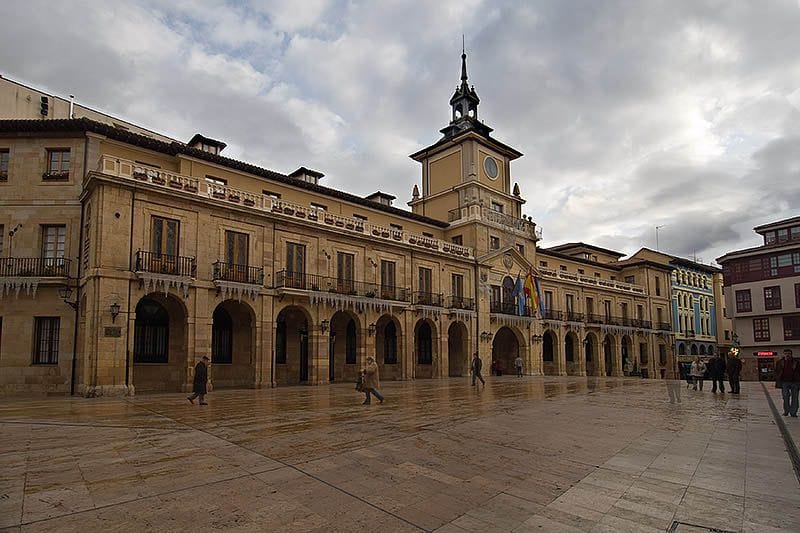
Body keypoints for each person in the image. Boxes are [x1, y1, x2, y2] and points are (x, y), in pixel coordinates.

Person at [775, 349, 800, 417]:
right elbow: (777, 371)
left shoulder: (796, 362)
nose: (787, 355)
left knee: (795, 398)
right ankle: (786, 411)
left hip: (795, 382)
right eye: (786, 353)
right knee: (785, 396)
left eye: (789, 353)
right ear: (784, 354)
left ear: (791, 354)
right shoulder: (780, 362)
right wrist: (778, 379)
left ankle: (793, 412)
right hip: (784, 382)